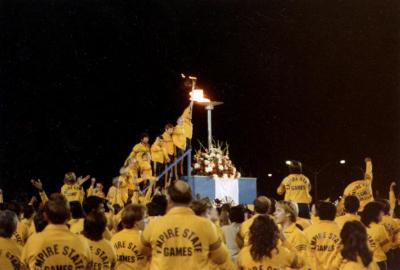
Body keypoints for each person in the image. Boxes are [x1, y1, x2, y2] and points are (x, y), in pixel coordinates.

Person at [141, 180, 229, 269]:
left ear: (169, 199)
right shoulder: (207, 225)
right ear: (190, 200)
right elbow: (221, 258)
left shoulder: (154, 225)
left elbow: (143, 252)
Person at [21, 193, 92, 270]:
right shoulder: (82, 242)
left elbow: (23, 267)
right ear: (69, 216)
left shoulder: (32, 241)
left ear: (45, 216)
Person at [237, 215, 303, 269]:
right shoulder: (284, 253)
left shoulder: (243, 254)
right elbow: (300, 263)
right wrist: (284, 240)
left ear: (252, 233)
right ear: (275, 234)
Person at [304, 201, 341, 270]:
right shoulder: (343, 232)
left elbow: (305, 255)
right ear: (335, 214)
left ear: (318, 214)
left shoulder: (307, 232)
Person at [111, 204, 149, 269]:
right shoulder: (144, 239)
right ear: (136, 222)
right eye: (145, 217)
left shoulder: (114, 237)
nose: (147, 220)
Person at [361, 202, 391, 270]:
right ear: (375, 214)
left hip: (364, 263)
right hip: (378, 262)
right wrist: (389, 232)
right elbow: (386, 248)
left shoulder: (360, 226)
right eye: (381, 212)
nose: (383, 214)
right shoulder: (380, 228)